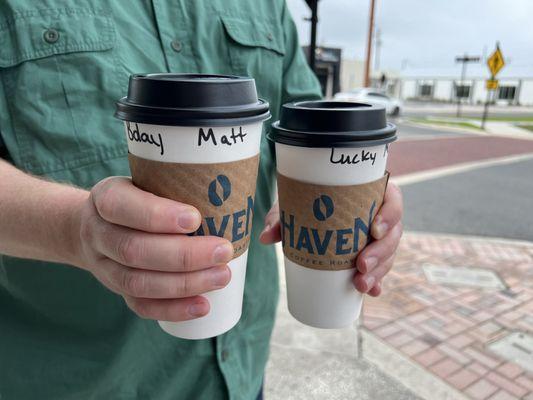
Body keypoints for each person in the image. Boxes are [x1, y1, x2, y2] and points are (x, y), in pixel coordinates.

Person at [0, 1, 403, 399]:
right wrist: (77, 230)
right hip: (86, 378)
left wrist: (359, 195)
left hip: (245, 367)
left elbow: (312, 126)